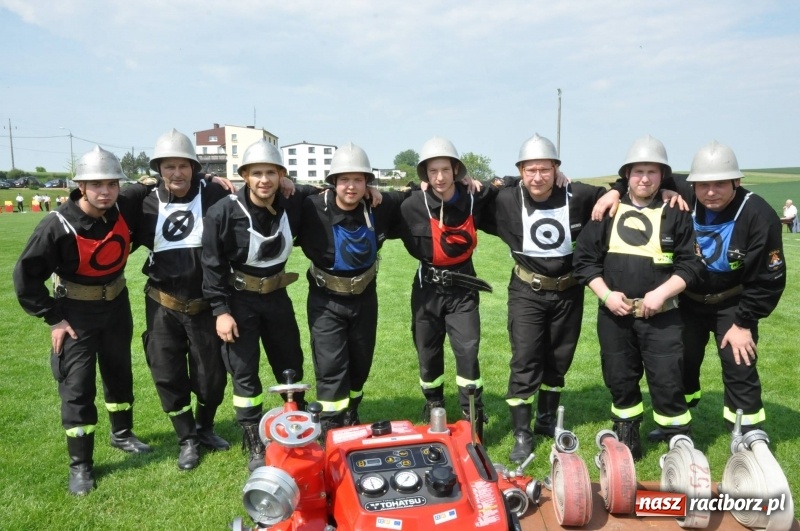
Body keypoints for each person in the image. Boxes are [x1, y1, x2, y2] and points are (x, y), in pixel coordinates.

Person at [13, 146, 151, 496]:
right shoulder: (56, 225)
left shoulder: (125, 203)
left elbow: (162, 180)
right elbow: (26, 277)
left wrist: (213, 179)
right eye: (95, 184)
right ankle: (81, 465)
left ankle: (122, 434)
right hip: (75, 313)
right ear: (80, 186)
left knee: (119, 371)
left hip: (116, 305)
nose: (104, 191)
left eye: (111, 183)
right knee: (77, 387)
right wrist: (54, 319)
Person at [573, 135, 705, 459]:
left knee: (668, 380)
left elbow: (691, 264)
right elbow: (584, 262)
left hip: (663, 317)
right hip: (615, 317)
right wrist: (605, 296)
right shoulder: (607, 210)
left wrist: (661, 293)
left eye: (652, 172)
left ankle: (679, 445)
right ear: (627, 175)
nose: (644, 178)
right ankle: (627, 439)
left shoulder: (676, 211)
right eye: (637, 172)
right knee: (620, 378)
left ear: (663, 176)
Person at [486, 134, 606, 463]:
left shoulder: (577, 194)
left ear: (556, 169)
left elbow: (619, 193)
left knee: (558, 360)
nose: (537, 177)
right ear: (521, 171)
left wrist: (622, 194)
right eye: (529, 170)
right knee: (525, 360)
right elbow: (474, 190)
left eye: (544, 169)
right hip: (528, 291)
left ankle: (546, 420)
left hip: (569, 291)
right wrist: (506, 180)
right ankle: (522, 434)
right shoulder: (507, 199)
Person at [202, 139, 319, 470]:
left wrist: (371, 189)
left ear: (281, 176)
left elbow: (331, 191)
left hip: (277, 298)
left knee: (290, 362)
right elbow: (211, 266)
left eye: (271, 173)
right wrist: (220, 311)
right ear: (245, 176)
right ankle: (254, 438)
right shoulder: (223, 212)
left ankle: (297, 425)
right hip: (239, 301)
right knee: (244, 372)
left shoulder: (293, 203)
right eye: (257, 173)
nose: (264, 180)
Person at [134, 129, 231, 471]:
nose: (177, 173)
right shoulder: (142, 201)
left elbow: (259, 195)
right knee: (167, 374)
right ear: (159, 169)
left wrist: (290, 183)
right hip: (163, 304)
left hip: (206, 305)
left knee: (211, 375)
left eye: (183, 166)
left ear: (194, 167)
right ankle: (186, 438)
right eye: (169, 166)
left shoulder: (216, 194)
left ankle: (205, 428)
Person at [675, 141, 786, 436]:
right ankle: (677, 422)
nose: (711, 192)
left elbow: (769, 278)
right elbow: (644, 178)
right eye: (703, 185)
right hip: (688, 302)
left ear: (736, 181)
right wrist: (613, 190)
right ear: (693, 185)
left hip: (733, 303)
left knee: (739, 363)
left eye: (720, 184)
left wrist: (744, 322)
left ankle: (748, 434)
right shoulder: (682, 196)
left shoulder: (759, 215)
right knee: (679, 361)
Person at [298, 143, 406, 439]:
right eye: (344, 179)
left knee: (360, 362)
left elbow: (419, 195)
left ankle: (351, 410)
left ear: (367, 183)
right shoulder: (311, 207)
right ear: (333, 182)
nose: (351, 186)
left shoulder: (380, 206)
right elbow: (278, 191)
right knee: (331, 364)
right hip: (325, 300)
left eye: (358, 180)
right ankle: (331, 425)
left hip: (365, 299)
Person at [398, 136, 502, 442]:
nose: (440, 177)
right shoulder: (413, 204)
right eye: (433, 171)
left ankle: (473, 413)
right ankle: (434, 403)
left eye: (445, 169)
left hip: (463, 290)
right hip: (427, 291)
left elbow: (510, 187)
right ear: (425, 175)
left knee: (467, 352)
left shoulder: (474, 196)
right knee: (427, 353)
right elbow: (380, 203)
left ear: (456, 170)